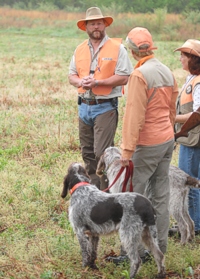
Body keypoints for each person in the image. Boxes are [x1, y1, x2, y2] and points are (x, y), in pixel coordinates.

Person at [120, 27, 179, 259]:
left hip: (146, 145)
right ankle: (159, 247)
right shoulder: (167, 71)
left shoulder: (139, 75)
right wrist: (170, 135)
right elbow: (172, 111)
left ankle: (132, 252)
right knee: (161, 197)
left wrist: (126, 150)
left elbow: (134, 116)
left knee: (133, 198)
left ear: (133, 52)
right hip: (166, 140)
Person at [68, 7, 133, 190]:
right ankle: (94, 190)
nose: (96, 26)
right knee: (87, 152)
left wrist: (98, 83)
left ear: (105, 25)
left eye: (99, 23)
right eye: (92, 23)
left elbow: (124, 76)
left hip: (105, 107)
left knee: (102, 153)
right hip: (84, 106)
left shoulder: (117, 48)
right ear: (86, 27)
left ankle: (108, 191)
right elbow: (71, 75)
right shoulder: (80, 49)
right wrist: (81, 81)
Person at [174, 39, 200, 235]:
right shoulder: (191, 79)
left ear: (194, 59)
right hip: (190, 137)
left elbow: (198, 113)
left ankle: (195, 225)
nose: (181, 58)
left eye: (184, 55)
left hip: (193, 139)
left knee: (189, 181)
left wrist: (173, 120)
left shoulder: (198, 82)